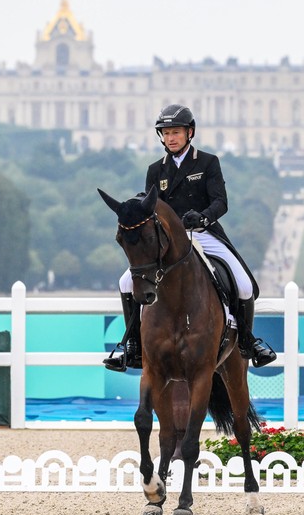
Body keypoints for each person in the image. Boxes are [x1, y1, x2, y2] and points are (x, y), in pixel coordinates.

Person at [104, 104, 277, 371]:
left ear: (189, 133)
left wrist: (204, 217)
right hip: (169, 239)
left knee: (243, 285)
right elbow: (151, 205)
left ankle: (247, 341)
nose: (171, 138)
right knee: (126, 282)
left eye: (176, 132)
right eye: (166, 133)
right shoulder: (156, 170)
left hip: (203, 233)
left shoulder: (208, 162)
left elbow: (221, 201)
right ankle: (132, 345)